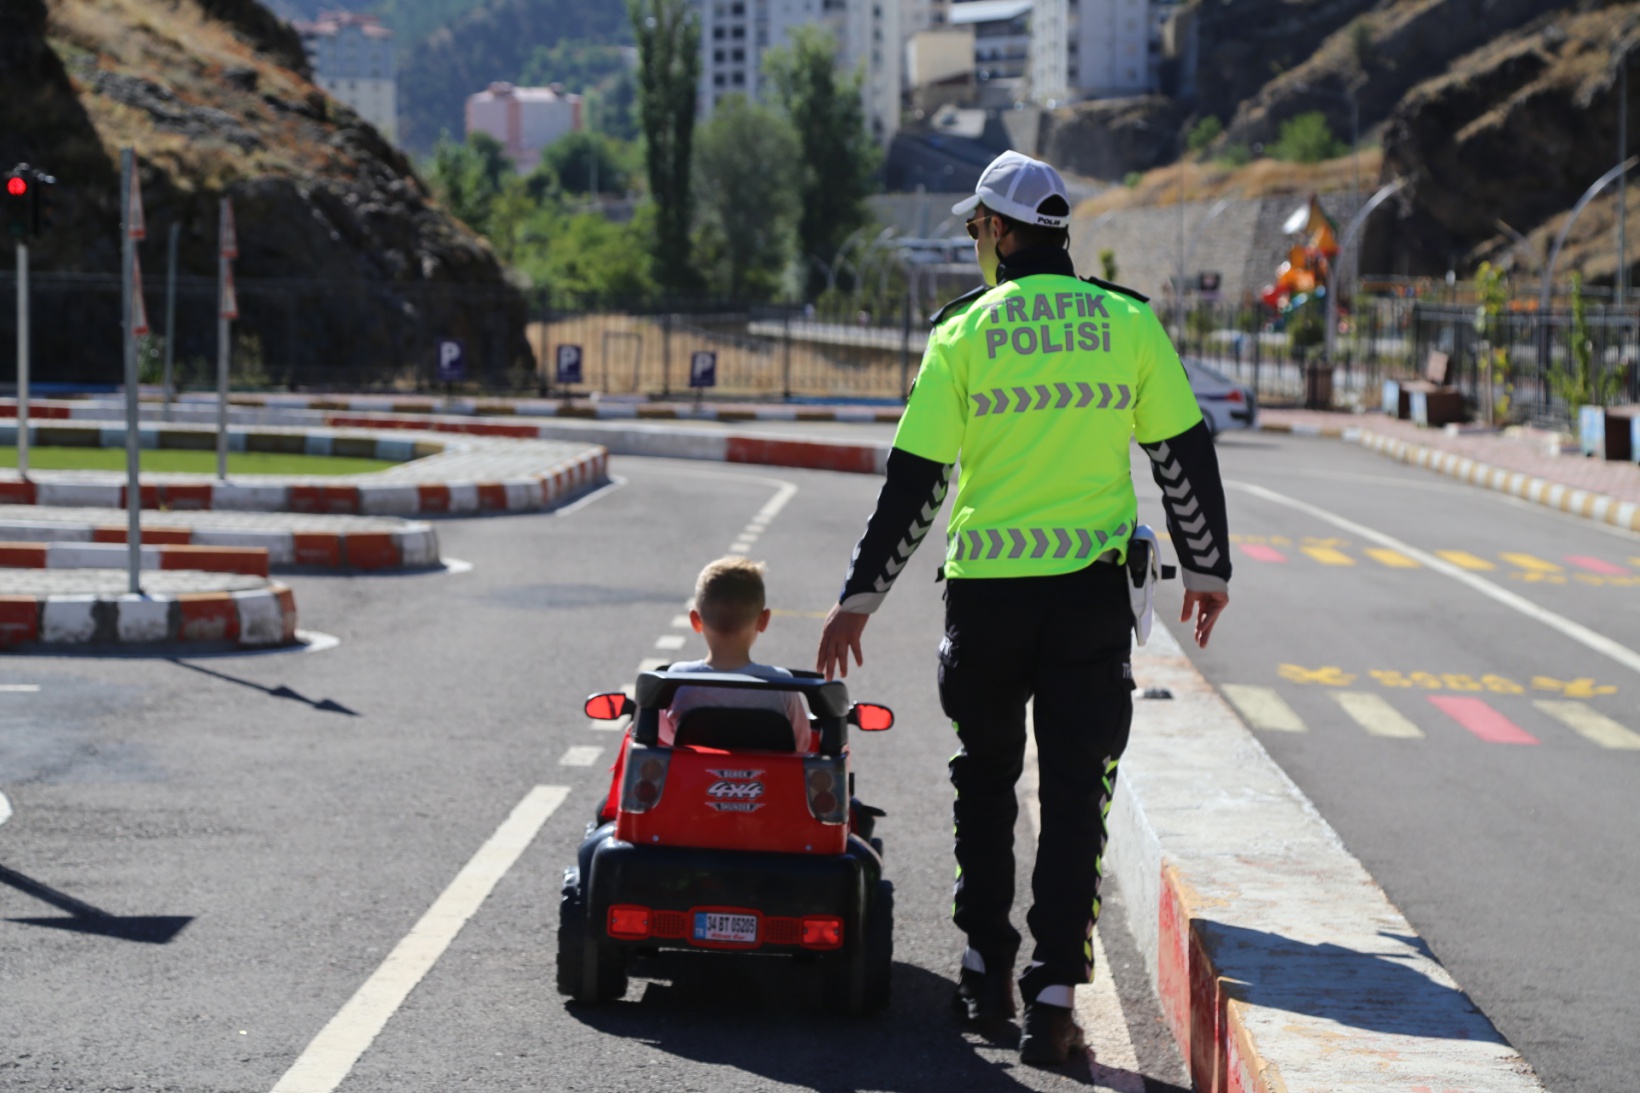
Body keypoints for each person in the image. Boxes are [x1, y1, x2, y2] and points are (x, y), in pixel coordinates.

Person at [815, 150, 1231, 1065]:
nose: (976, 243)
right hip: (1088, 603)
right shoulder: (1126, 323)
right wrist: (1208, 568)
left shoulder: (963, 334)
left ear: (1001, 232)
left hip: (987, 604)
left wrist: (861, 596)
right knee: (1080, 789)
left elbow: (916, 484)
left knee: (986, 775)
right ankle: (1053, 996)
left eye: (976, 229)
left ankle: (983, 966)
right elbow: (1182, 454)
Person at [660, 556, 810, 751]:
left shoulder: (677, 679)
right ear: (763, 620)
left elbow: (662, 737)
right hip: (766, 780)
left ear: (696, 620)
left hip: (690, 778)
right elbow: (801, 743)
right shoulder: (780, 684)